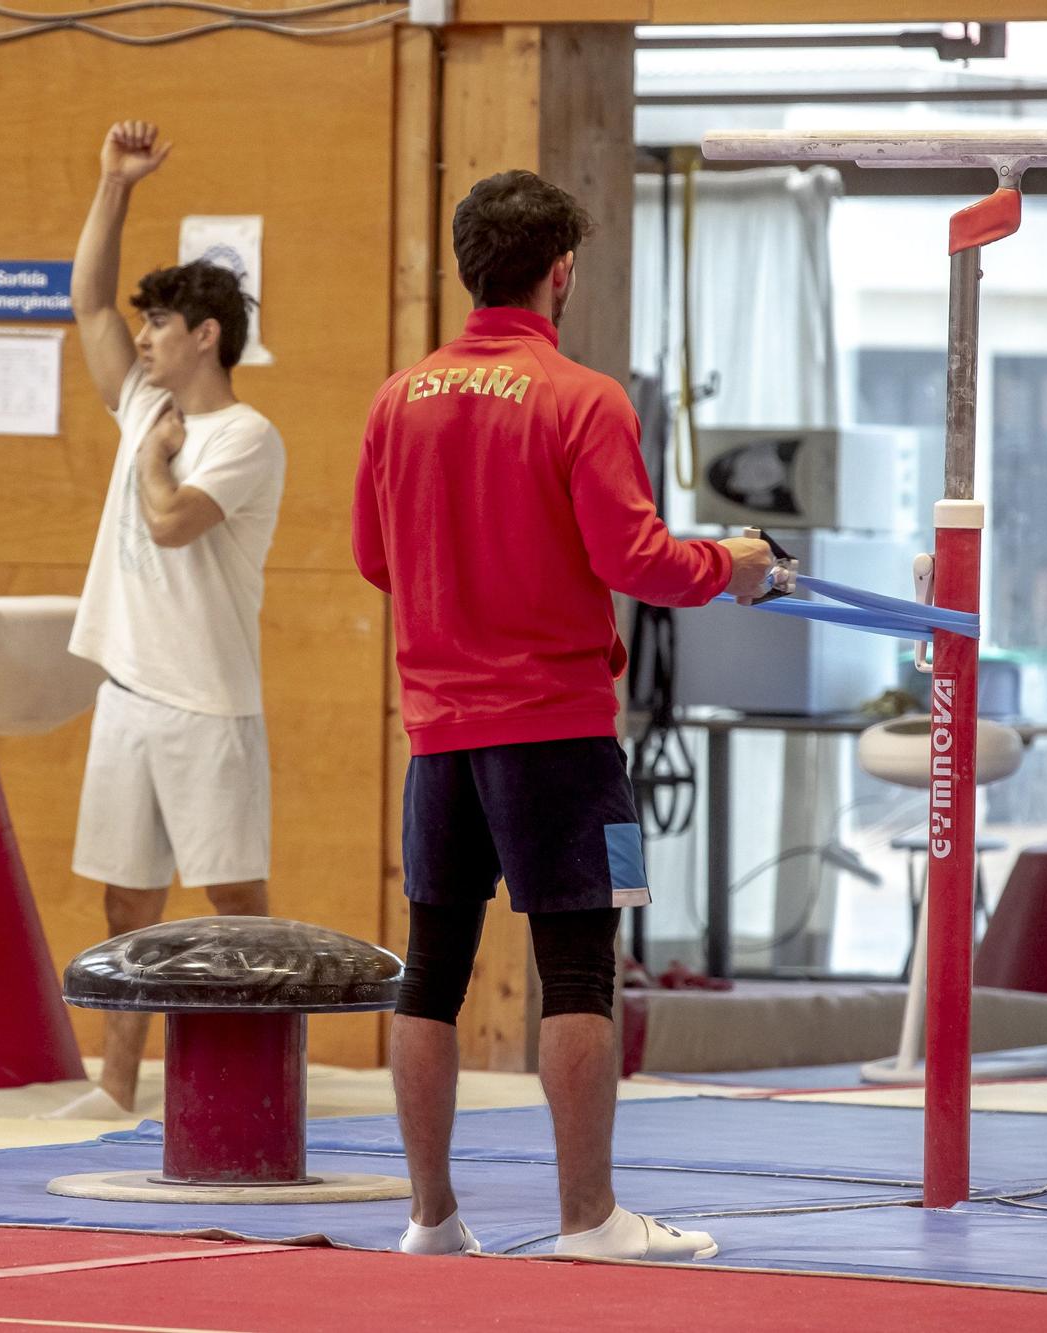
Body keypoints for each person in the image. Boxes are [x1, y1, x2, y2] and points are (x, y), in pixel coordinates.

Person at [351, 170, 776, 1261]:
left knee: (432, 965)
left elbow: (370, 558)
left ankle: (429, 1217)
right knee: (580, 966)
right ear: (560, 271)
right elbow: (633, 558)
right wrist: (730, 564)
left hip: (439, 731)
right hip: (556, 728)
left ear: (464, 268)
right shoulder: (581, 397)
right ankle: (588, 1217)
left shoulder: (397, 397)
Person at [60, 120, 288, 1117]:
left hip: (206, 702)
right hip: (128, 692)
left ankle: (267, 1068)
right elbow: (84, 301)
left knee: (235, 900)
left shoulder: (244, 436)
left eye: (159, 324)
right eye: (142, 323)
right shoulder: (139, 403)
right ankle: (115, 1087)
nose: (140, 335)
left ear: (205, 335)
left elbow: (169, 523)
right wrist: (113, 186)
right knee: (125, 898)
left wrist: (154, 461)